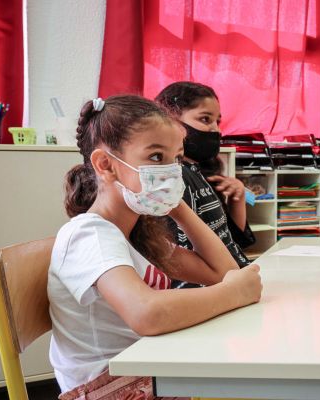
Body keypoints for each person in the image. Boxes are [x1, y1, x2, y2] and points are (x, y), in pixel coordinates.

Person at [49, 95, 262, 398]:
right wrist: (234, 293)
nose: (172, 172)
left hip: (143, 367)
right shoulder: (90, 235)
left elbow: (222, 272)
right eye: (156, 158)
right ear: (106, 165)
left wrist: (178, 207)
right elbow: (147, 314)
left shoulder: (136, 232)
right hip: (105, 386)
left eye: (176, 159)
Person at [155, 82, 255, 279]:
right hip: (218, 283)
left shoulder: (202, 173)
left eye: (218, 121)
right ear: (171, 119)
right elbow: (185, 254)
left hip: (236, 276)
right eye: (205, 119)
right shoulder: (173, 178)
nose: (215, 130)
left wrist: (238, 199)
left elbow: (234, 242)